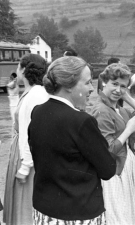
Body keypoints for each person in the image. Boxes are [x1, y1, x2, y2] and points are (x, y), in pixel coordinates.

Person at [28, 56, 116, 224]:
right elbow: (108, 169)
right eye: (88, 82)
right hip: (77, 213)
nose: (91, 88)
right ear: (68, 85)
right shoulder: (81, 121)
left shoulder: (38, 112)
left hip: (44, 211)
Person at [91, 63, 135, 225]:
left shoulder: (120, 110)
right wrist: (128, 131)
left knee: (127, 213)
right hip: (114, 171)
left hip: (125, 167)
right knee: (118, 216)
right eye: (114, 84)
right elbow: (108, 150)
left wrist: (127, 97)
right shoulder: (102, 110)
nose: (118, 89)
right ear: (104, 82)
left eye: (123, 86)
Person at [3, 53, 49, 225]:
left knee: (25, 200)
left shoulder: (35, 95)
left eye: (18, 66)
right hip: (22, 152)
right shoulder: (32, 93)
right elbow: (19, 123)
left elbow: (29, 133)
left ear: (23, 70)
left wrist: (25, 166)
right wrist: (13, 96)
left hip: (26, 155)